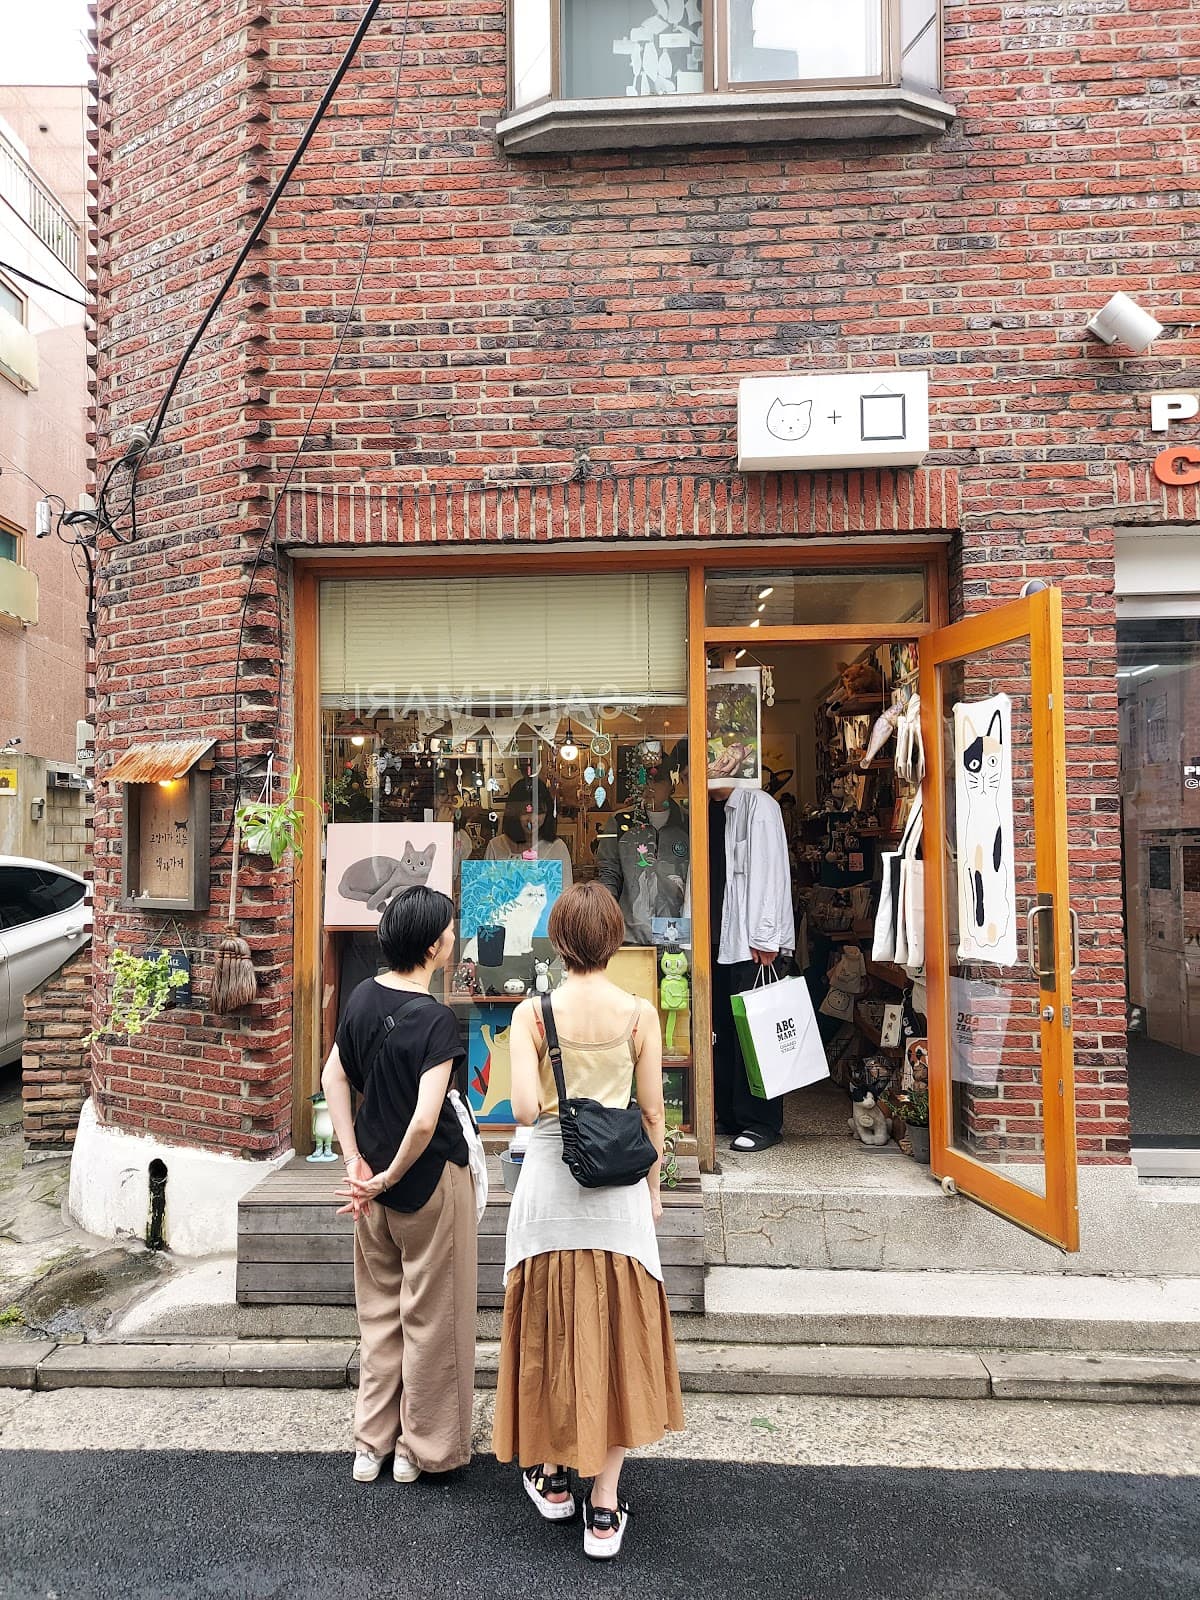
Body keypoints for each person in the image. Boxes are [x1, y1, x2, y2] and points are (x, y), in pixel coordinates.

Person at [492, 881, 684, 1561]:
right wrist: (655, 1193)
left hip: (548, 1189)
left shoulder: (532, 1014)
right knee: (617, 1338)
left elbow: (519, 1109)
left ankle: (549, 1477)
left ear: (559, 941)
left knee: (547, 1330)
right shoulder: (638, 1013)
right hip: (621, 1193)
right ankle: (603, 1508)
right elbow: (656, 1115)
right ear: (615, 938)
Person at [321, 885, 478, 1485]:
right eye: (451, 930)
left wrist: (355, 1161)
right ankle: (422, 1449)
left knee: (380, 1314)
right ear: (436, 945)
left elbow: (333, 1076)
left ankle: (371, 1445)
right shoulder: (437, 1020)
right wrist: (387, 1173)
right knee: (434, 1318)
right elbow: (425, 1119)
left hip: (369, 1192)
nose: (454, 936)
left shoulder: (361, 996)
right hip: (428, 1184)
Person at [710, 780, 795, 1153]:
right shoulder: (708, 809)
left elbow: (770, 870)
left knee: (756, 1029)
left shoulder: (758, 806)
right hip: (715, 939)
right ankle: (729, 1112)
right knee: (725, 1028)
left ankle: (763, 1121)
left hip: (750, 943)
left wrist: (766, 937)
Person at [597, 747, 689, 944]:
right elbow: (609, 873)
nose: (650, 786)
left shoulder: (688, 823)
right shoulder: (621, 821)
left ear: (672, 784)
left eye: (658, 780)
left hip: (675, 928)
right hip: (630, 931)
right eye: (644, 780)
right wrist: (607, 919)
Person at [485, 775, 573, 886]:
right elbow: (486, 892)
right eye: (525, 812)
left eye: (539, 811)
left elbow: (566, 897)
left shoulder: (557, 847)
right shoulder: (496, 846)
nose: (532, 819)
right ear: (513, 813)